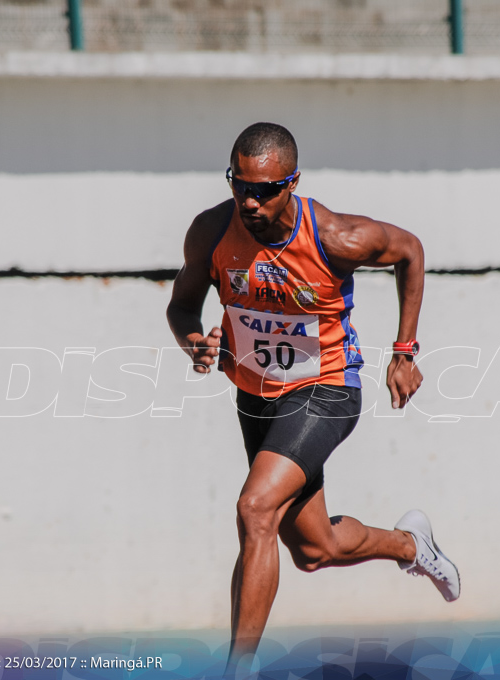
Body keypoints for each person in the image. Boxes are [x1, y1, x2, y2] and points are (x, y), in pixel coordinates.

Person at [166, 122, 460, 674]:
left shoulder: (333, 235)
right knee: (314, 550)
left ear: (292, 182)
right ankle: (409, 546)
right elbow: (182, 307)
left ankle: (238, 669)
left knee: (256, 510)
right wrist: (195, 345)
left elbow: (410, 251)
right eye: (240, 186)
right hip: (256, 398)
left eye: (265, 190)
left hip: (327, 389)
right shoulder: (211, 231)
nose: (250, 202)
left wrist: (405, 351)